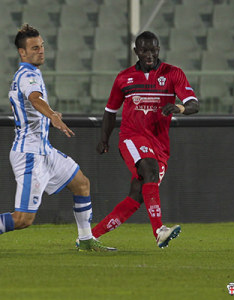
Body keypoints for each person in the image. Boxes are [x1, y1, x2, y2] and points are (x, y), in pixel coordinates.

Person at [0, 24, 116, 252]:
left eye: (42, 46)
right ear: (22, 53)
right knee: (23, 219)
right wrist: (52, 114)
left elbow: (33, 103)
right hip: (29, 155)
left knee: (81, 183)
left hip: (45, 151)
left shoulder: (32, 73)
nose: (41, 51)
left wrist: (50, 114)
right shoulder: (26, 75)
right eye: (34, 48)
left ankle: (85, 240)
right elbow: (34, 98)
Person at [92, 31, 199, 248]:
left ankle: (89, 236)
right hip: (131, 137)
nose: (149, 54)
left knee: (137, 195)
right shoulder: (124, 78)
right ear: (136, 52)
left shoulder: (173, 74)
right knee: (149, 169)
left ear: (159, 49)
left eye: (153, 50)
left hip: (159, 145)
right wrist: (104, 138)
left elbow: (193, 104)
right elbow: (110, 111)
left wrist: (179, 107)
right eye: (144, 50)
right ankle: (159, 230)